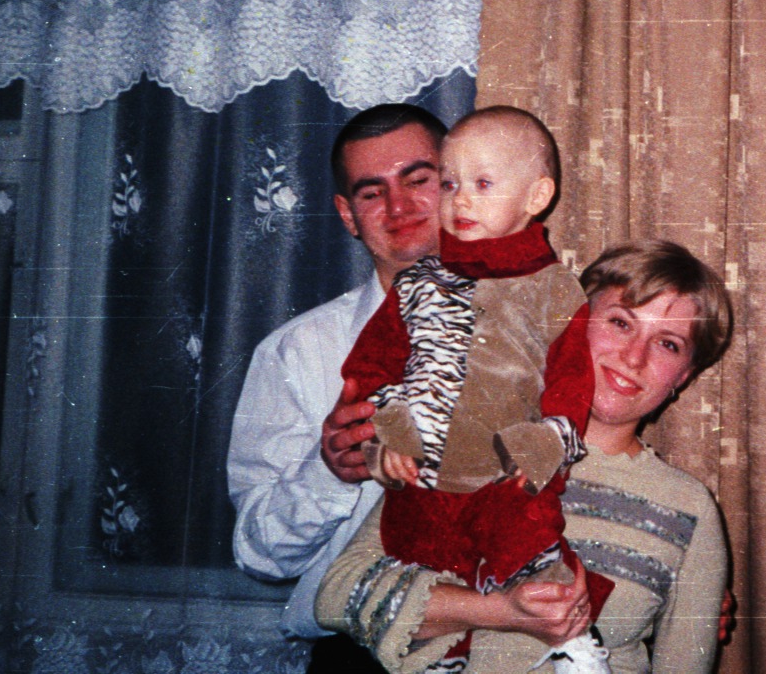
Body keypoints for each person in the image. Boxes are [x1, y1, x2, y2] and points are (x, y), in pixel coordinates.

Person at [316, 239, 733, 674]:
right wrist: (498, 612)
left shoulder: (689, 508)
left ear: (684, 377)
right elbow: (336, 596)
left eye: (668, 344)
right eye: (620, 322)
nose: (634, 357)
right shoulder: (473, 442)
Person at [338, 105, 613, 673]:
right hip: (424, 476)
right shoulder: (417, 285)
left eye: (482, 185)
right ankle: (439, 661)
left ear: (536, 196)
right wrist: (386, 437)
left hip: (503, 470)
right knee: (418, 560)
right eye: (449, 184)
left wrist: (550, 437)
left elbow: (571, 377)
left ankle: (573, 640)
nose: (459, 200)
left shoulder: (553, 287)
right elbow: (371, 369)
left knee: (527, 536)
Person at [228, 103, 447, 672]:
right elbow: (259, 555)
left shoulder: (536, 327)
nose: (398, 207)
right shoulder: (296, 352)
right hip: (358, 654)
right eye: (372, 192)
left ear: (455, 184)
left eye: (417, 180)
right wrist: (327, 473)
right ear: (348, 215)